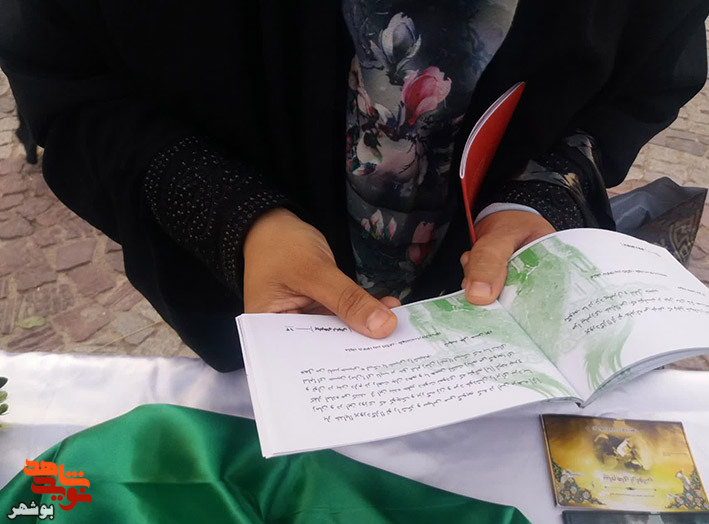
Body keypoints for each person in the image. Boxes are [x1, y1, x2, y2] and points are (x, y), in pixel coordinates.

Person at [1, 1, 706, 371]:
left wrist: (541, 194)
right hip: (257, 303)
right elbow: (67, 84)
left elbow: (650, 74)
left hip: (494, 314)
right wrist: (234, 219)